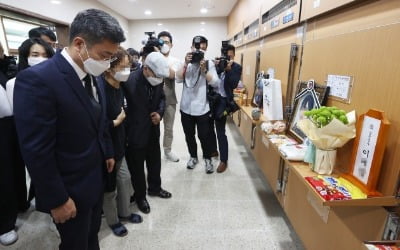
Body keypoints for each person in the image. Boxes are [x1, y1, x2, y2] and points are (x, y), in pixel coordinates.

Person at [14, 9, 125, 250]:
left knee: (91, 236)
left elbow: (97, 119)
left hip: (94, 178)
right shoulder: (38, 80)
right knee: (75, 243)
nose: (107, 62)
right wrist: (57, 199)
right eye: (105, 55)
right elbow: (36, 150)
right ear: (79, 44)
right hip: (69, 190)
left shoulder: (91, 72)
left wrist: (106, 151)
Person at [96, 46, 142, 237]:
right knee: (109, 189)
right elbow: (95, 124)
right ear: (108, 68)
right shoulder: (100, 90)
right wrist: (116, 122)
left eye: (128, 67)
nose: (126, 72)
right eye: (122, 67)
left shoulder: (121, 86)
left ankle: (124, 213)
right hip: (106, 149)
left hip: (121, 145)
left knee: (124, 180)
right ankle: (113, 221)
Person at [123, 51, 172, 214]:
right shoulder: (129, 81)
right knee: (137, 167)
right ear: (145, 69)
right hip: (135, 132)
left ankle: (155, 188)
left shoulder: (158, 78)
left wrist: (159, 113)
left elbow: (162, 99)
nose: (159, 79)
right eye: (156, 75)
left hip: (153, 128)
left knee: (154, 161)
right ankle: (140, 197)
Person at [176, 35, 219, 173]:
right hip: (186, 107)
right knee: (189, 135)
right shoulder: (185, 63)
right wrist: (185, 63)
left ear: (205, 48)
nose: (198, 49)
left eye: (202, 46)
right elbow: (177, 78)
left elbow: (215, 82)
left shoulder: (208, 63)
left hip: (202, 107)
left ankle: (207, 158)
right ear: (191, 47)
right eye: (196, 46)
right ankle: (193, 156)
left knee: (204, 136)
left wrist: (204, 70)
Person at [0, 41, 20, 246]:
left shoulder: (7, 68)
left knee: (11, 172)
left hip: (9, 125)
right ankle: (4, 224)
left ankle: (17, 207)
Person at [212, 44, 242, 173]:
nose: (227, 58)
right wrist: (217, 66)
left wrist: (228, 70)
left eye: (230, 55)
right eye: (226, 56)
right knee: (208, 128)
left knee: (220, 131)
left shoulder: (237, 67)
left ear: (234, 54)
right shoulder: (216, 64)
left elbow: (233, 84)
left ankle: (224, 160)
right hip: (212, 98)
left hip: (224, 102)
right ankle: (213, 150)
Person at [157, 31, 182, 162]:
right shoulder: (152, 56)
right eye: (161, 42)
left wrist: (159, 61)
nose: (164, 45)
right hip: (153, 99)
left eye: (166, 42)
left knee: (168, 128)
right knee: (152, 128)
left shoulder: (176, 60)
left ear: (171, 44)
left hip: (169, 98)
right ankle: (153, 150)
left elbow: (173, 75)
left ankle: (167, 151)